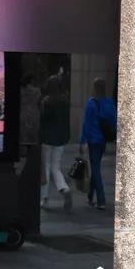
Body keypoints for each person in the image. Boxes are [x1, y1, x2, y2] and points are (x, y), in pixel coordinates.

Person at [80, 77, 117, 210]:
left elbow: (87, 124)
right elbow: (115, 121)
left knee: (95, 168)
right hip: (103, 141)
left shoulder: (91, 103)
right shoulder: (110, 103)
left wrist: (82, 141)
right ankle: (90, 195)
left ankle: (101, 200)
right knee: (95, 165)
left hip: (93, 140)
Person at [39, 75, 72, 210]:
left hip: (47, 139)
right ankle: (64, 189)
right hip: (60, 139)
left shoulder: (47, 101)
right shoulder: (65, 101)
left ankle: (45, 198)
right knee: (55, 167)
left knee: (46, 167)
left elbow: (42, 120)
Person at [19, 74, 41, 145]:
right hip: (34, 113)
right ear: (31, 81)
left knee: (24, 135)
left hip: (23, 113)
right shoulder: (37, 91)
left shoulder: (21, 92)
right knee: (34, 135)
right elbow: (39, 102)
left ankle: (24, 149)